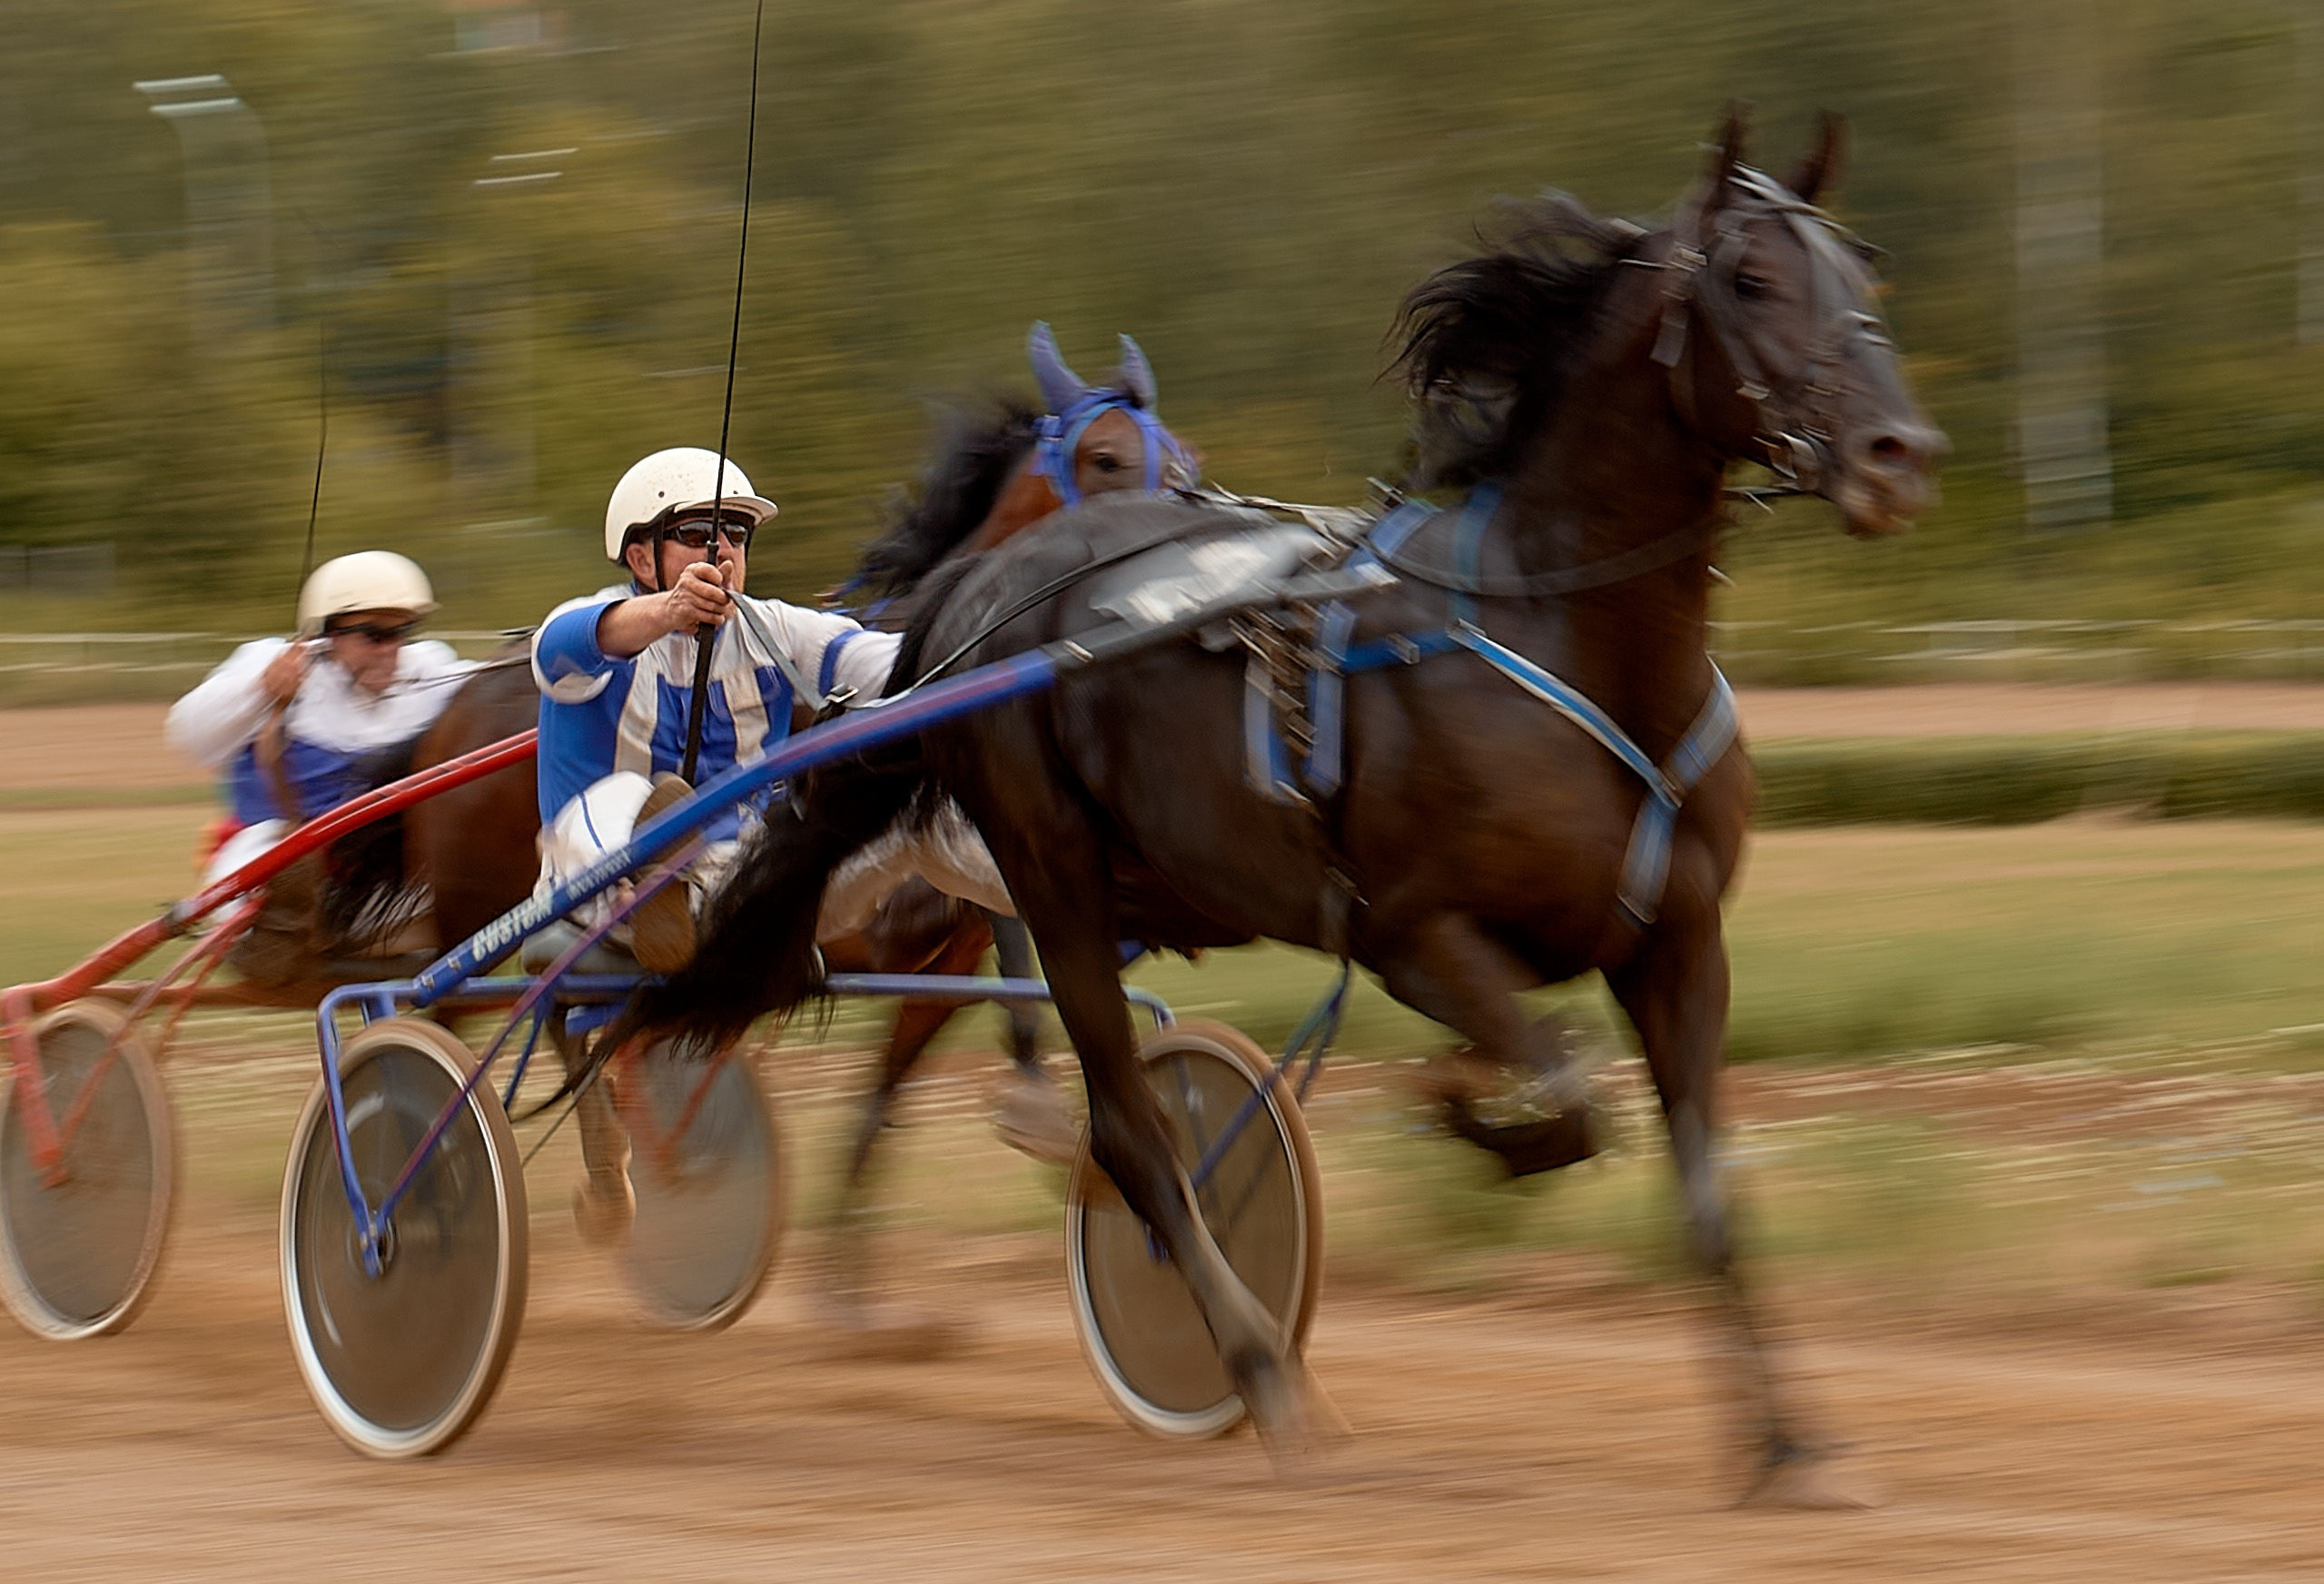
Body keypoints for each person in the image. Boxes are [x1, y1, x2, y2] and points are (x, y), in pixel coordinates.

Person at [530, 446, 1010, 974]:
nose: (724, 551)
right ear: (642, 558)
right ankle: (649, 895)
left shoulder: (778, 628)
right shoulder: (592, 620)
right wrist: (671, 611)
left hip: (747, 882)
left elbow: (894, 666)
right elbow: (555, 647)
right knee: (623, 795)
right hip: (593, 883)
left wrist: (1006, 645)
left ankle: (1071, 888)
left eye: (736, 534)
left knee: (916, 815)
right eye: (696, 535)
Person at [167, 550, 474, 887]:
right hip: (273, 849)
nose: (390, 650)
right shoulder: (274, 665)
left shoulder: (427, 670)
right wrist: (260, 690)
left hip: (383, 861)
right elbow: (189, 738)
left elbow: (493, 691)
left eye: (401, 633)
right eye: (374, 636)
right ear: (327, 636)